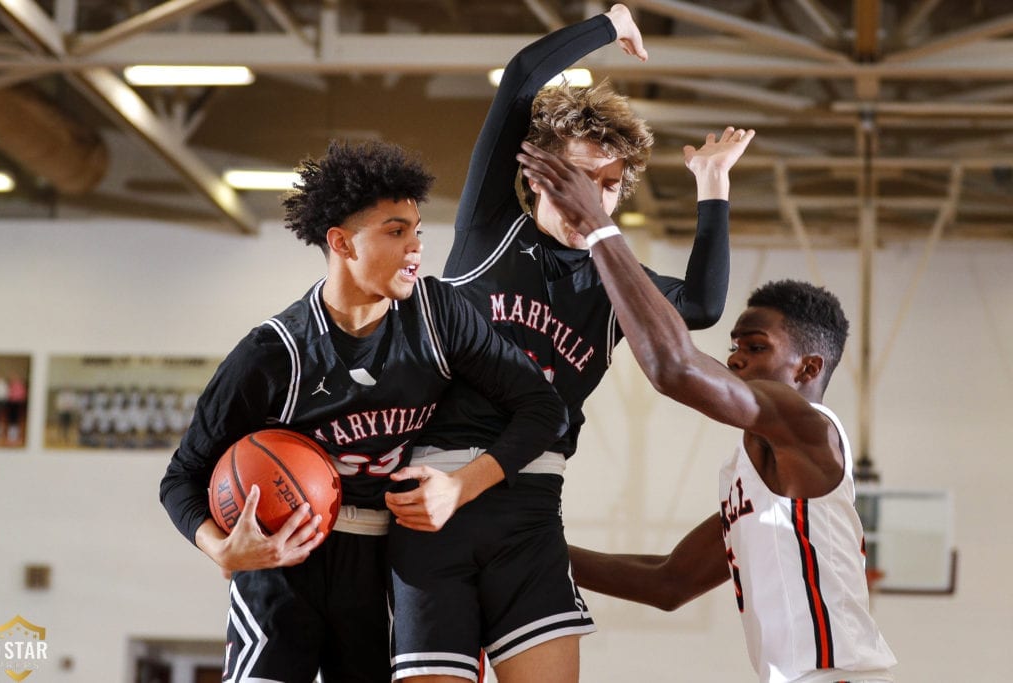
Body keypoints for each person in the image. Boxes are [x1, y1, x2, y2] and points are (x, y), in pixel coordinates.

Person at [385, 5, 752, 682]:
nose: (596, 201)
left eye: (610, 187)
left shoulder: (615, 278)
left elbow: (699, 304)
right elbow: (523, 75)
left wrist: (713, 187)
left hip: (531, 507)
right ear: (535, 176)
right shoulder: (488, 228)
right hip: (437, 492)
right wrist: (610, 24)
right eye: (577, 182)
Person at [159, 139, 567, 683]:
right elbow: (181, 477)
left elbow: (544, 408)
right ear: (342, 242)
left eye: (418, 230)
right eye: (396, 231)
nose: (416, 247)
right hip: (285, 562)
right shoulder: (274, 353)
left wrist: (462, 485)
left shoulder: (438, 314)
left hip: (386, 561)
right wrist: (223, 549)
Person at [515, 140, 898, 683]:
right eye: (735, 345)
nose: (736, 357)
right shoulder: (757, 475)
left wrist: (599, 225)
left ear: (807, 369)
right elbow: (668, 582)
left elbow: (675, 367)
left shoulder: (806, 426)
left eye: (757, 347)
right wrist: (523, 543)